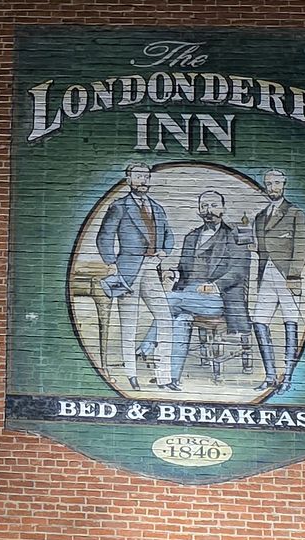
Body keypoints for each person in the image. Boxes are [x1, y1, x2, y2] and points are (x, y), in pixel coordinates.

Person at [161, 191, 252, 389]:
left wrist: (215, 285)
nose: (208, 210)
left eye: (213, 205)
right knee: (180, 320)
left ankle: (147, 345)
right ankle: (172, 378)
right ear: (199, 210)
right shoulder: (191, 237)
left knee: (167, 301)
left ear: (223, 209)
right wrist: (173, 273)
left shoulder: (237, 233)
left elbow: (240, 268)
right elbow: (183, 269)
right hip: (189, 296)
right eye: (204, 206)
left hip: (219, 298)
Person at [94, 162, 173, 390]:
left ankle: (164, 377)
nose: (143, 181)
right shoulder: (119, 206)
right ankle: (132, 375)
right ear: (128, 180)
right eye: (138, 177)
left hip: (151, 269)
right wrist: (111, 264)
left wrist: (164, 251)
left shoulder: (157, 208)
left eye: (146, 177)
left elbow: (168, 235)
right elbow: (104, 236)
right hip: (126, 271)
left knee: (165, 318)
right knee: (129, 324)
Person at [251, 168, 305, 391]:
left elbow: (301, 246)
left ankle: (288, 378)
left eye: (276, 183)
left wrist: (294, 275)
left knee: (290, 322)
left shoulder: (295, 213)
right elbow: (261, 248)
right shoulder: (260, 216)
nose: (272, 187)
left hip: (286, 276)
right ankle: (270, 376)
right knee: (259, 321)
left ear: (284, 185)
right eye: (269, 184)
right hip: (266, 275)